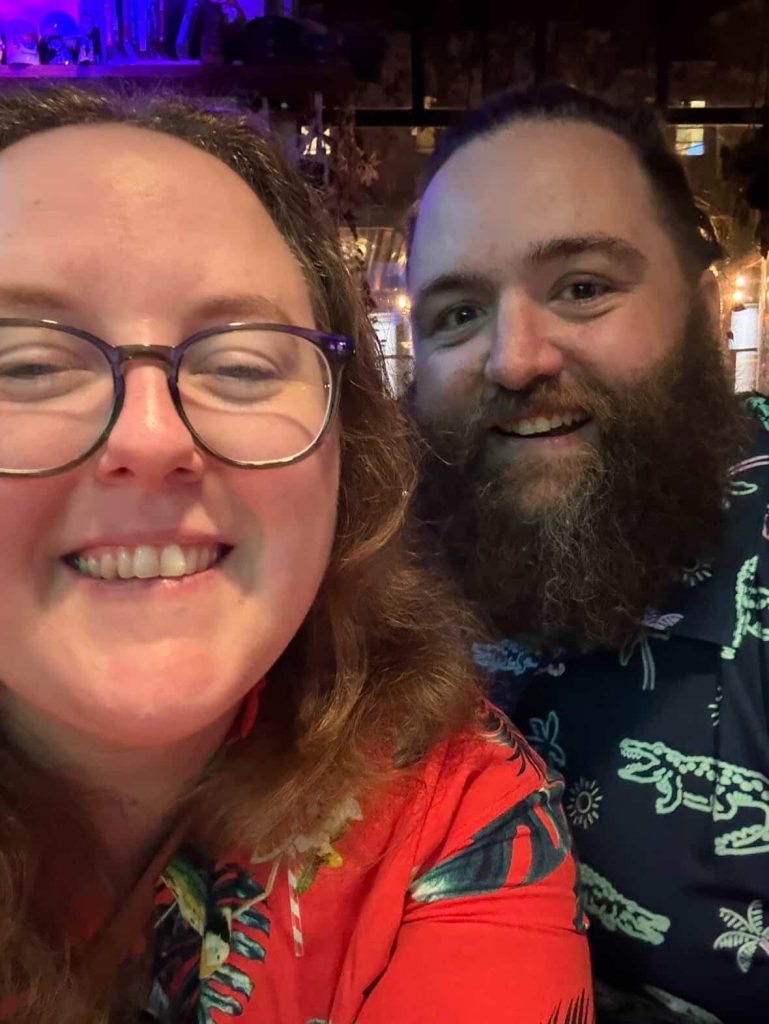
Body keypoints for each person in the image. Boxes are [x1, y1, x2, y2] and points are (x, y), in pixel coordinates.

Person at [0, 85, 591, 1023]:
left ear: (347, 453)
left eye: (240, 365)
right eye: (27, 365)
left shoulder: (454, 814)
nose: (151, 436)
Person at [408, 83, 769, 1024]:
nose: (513, 359)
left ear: (702, 312)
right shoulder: (369, 569)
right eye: (456, 314)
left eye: (582, 288)